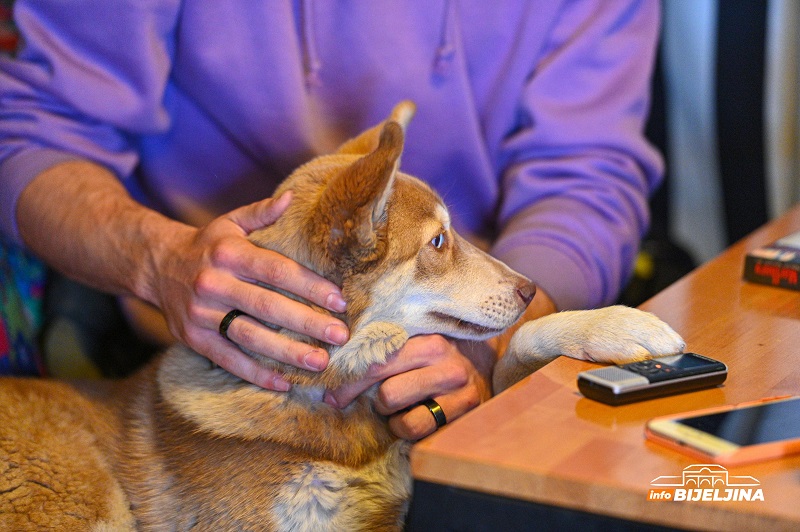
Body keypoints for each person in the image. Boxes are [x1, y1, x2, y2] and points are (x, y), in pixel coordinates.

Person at [0, 1, 662, 440]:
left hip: (463, 344)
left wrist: (495, 341)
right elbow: (34, 130)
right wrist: (157, 259)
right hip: (194, 349)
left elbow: (588, 172)